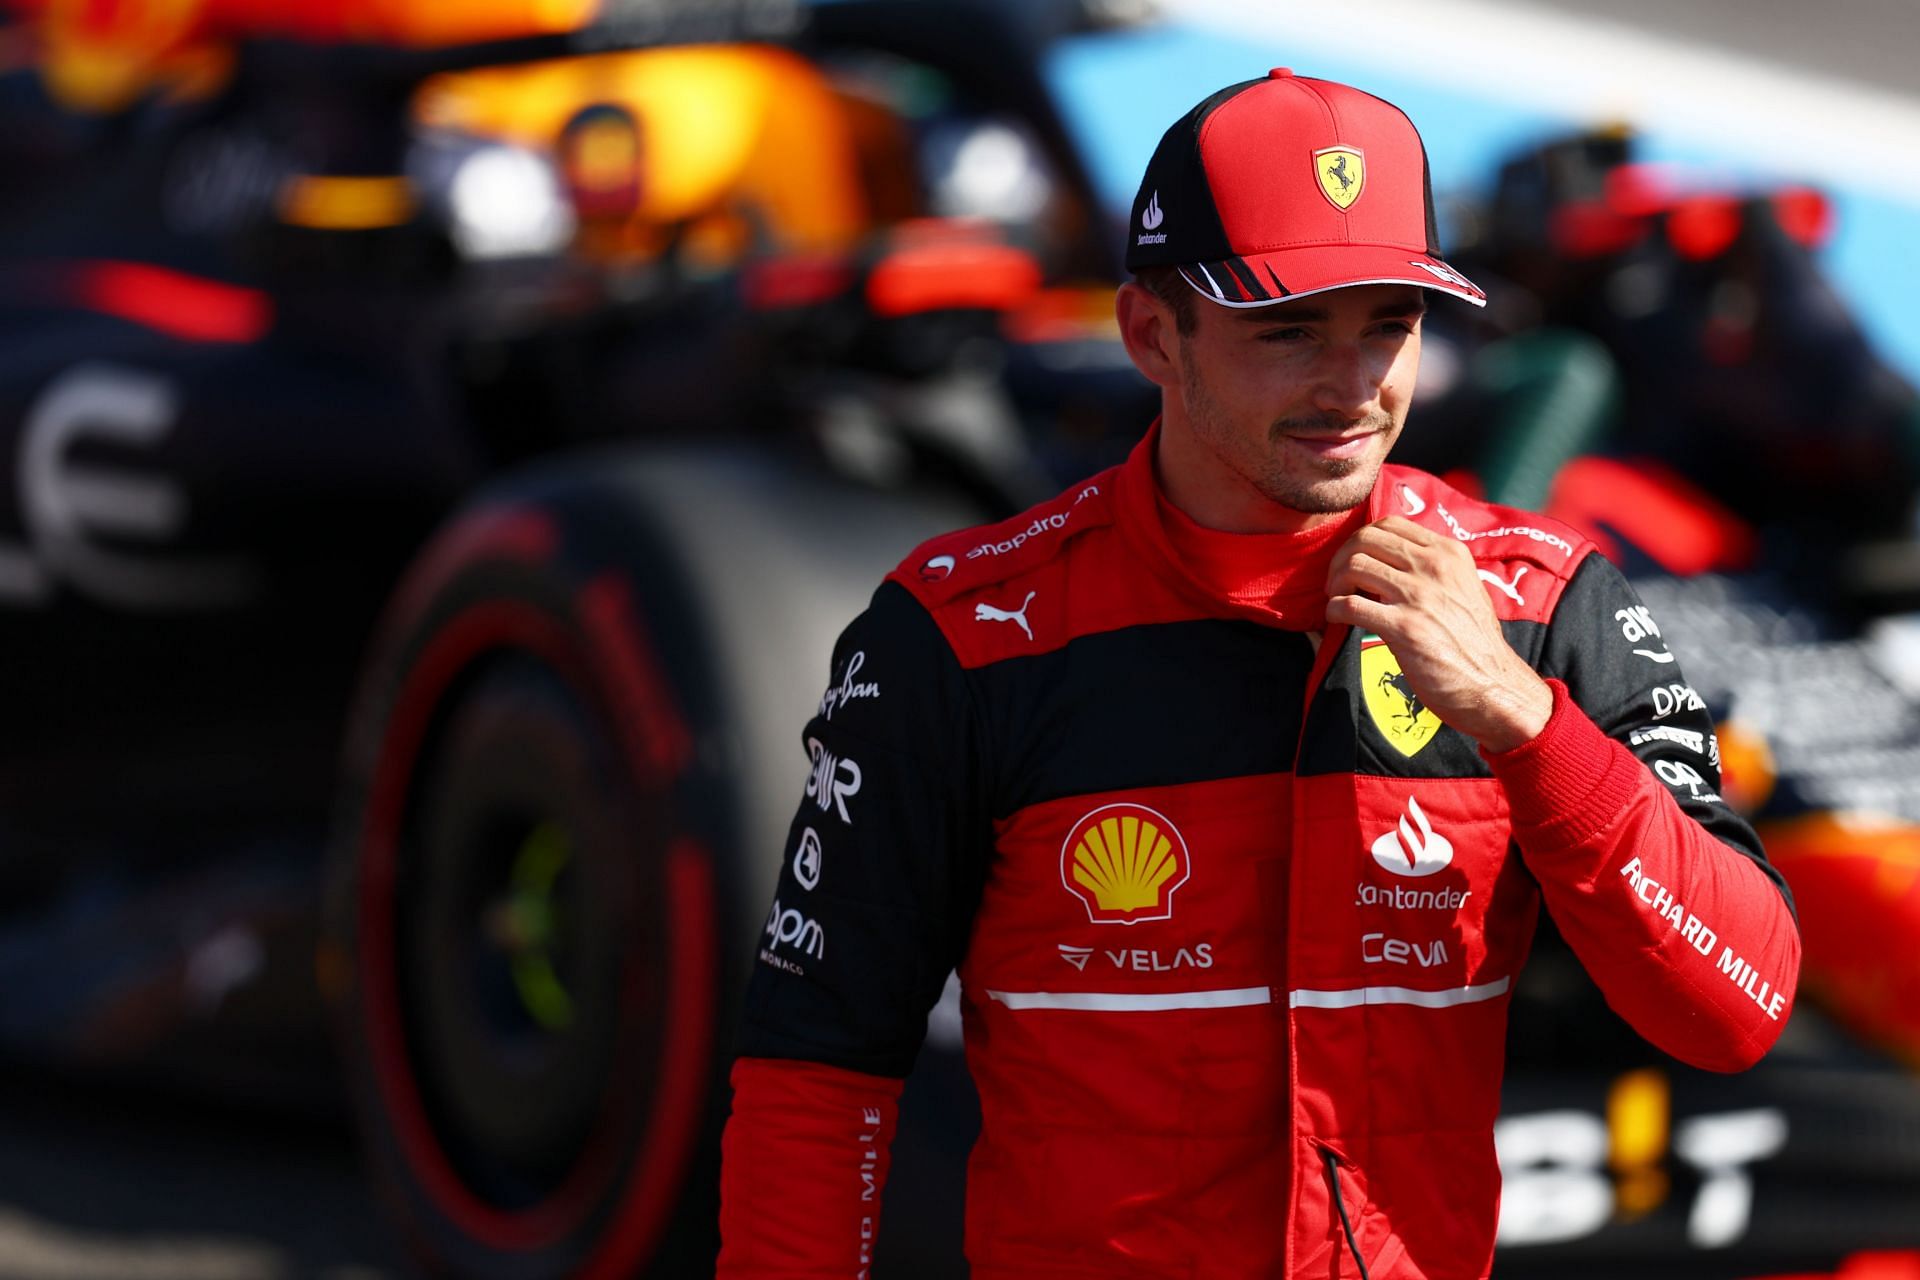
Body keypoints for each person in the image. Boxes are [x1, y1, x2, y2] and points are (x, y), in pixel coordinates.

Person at [716, 70, 1801, 1279]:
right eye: (1288, 329)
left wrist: (1521, 722)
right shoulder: (964, 633)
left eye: (1390, 325)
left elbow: (1736, 1008)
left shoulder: (1544, 608)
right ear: (1149, 333)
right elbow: (818, 1071)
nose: (1353, 385)